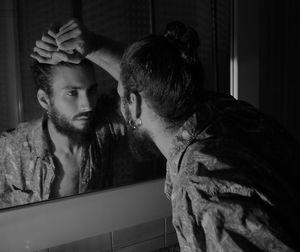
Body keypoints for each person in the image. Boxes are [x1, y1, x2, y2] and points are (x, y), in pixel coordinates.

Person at [32, 19, 300, 251]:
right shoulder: (227, 113)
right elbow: (150, 83)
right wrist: (92, 44)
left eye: (118, 92)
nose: (93, 104)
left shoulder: (201, 190)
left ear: (134, 104)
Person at [0, 48, 141, 209]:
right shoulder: (11, 147)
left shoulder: (105, 127)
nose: (88, 105)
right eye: (72, 93)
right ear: (45, 100)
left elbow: (145, 88)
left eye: (91, 91)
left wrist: (92, 47)